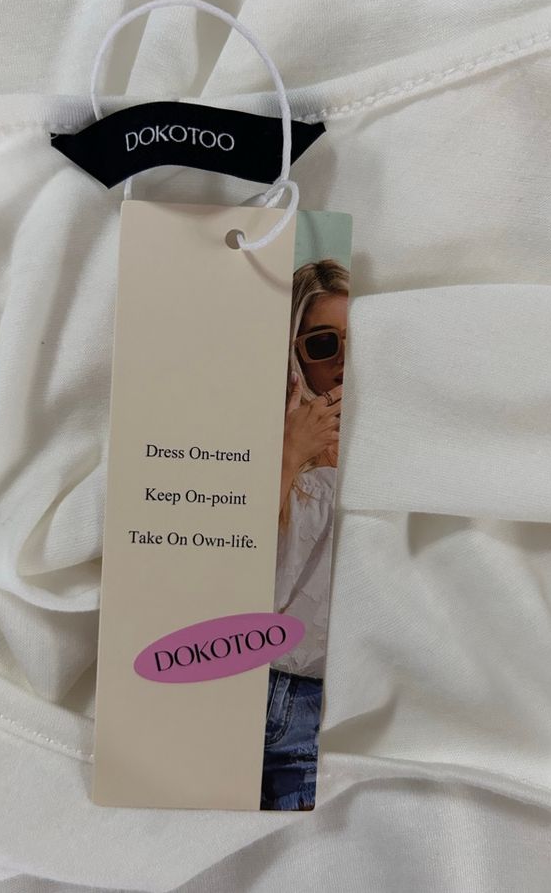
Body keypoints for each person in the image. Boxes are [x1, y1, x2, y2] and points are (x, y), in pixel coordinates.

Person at [260, 259, 349, 811]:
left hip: (351, 703)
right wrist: (289, 454)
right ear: (294, 352)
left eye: (358, 341)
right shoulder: (263, 445)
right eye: (323, 344)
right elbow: (234, 576)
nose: (343, 362)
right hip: (267, 689)